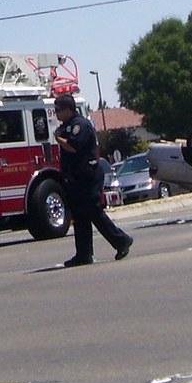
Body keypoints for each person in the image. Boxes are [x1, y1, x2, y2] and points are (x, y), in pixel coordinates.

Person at [53, 94, 133, 267]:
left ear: (68, 109)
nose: (56, 113)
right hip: (75, 177)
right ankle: (83, 254)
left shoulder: (80, 125)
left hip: (88, 175)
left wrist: (58, 138)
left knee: (93, 211)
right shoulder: (66, 126)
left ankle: (122, 241)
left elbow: (73, 146)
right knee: (80, 216)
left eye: (58, 110)